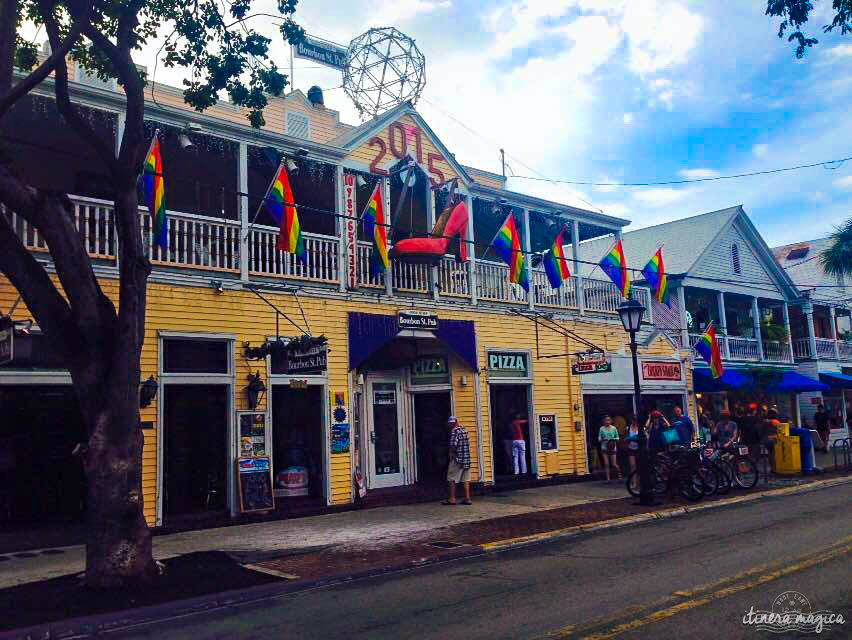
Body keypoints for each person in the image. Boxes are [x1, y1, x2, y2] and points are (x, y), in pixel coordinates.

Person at [443, 417, 472, 505]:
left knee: (451, 478)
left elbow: (453, 444)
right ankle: (467, 498)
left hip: (457, 459)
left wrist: (451, 453)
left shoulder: (454, 431)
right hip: (466, 458)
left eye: (451, 423)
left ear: (454, 423)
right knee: (466, 479)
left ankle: (452, 498)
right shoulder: (465, 430)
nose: (450, 425)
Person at [598, 415, 621, 480]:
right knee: (606, 464)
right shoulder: (601, 429)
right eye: (606, 420)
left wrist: (613, 439)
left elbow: (618, 437)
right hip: (604, 447)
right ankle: (608, 478)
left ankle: (619, 473)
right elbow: (599, 438)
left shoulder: (614, 428)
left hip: (612, 447)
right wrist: (603, 439)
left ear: (611, 421)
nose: (607, 421)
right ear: (604, 421)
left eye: (609, 420)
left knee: (614, 464)